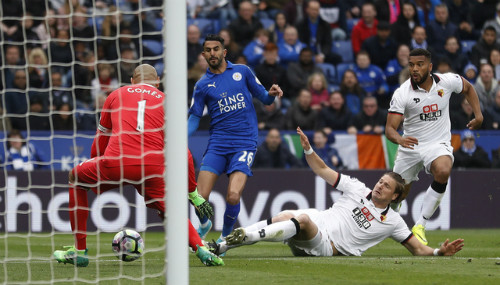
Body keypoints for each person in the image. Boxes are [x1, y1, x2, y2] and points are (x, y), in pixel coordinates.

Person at [52, 64, 224, 267]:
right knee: (170, 210)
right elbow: (183, 152)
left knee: (76, 178)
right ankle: (202, 249)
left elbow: (100, 140)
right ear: (157, 82)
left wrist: (98, 171)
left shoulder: (115, 94)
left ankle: (80, 251)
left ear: (132, 81)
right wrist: (192, 193)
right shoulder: (168, 101)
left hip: (116, 162)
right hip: (152, 167)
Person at [209, 127, 465, 258]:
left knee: (302, 220)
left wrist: (438, 252)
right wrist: (309, 150)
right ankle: (223, 245)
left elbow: (418, 250)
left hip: (327, 246)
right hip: (320, 223)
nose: (379, 185)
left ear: (395, 197)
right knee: (287, 213)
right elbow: (322, 170)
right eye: (380, 181)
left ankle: (240, 236)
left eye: (386, 186)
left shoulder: (394, 222)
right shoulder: (357, 188)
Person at [187, 34, 283, 248]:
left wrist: (272, 93)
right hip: (218, 144)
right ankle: (204, 223)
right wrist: (179, 139)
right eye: (208, 50)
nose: (213, 53)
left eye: (216, 49)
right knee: (199, 196)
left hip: (244, 142)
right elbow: (194, 118)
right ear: (203, 55)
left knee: (232, 195)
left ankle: (225, 239)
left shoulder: (243, 71)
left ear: (224, 52)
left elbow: (265, 98)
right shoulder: (202, 85)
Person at [385, 48, 483, 246]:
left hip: (437, 144)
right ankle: (389, 221)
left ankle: (420, 225)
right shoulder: (402, 93)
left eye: (419, 64)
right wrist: (400, 140)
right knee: (398, 194)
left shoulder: (446, 81)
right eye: (411, 64)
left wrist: (478, 114)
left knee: (443, 170)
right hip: (410, 146)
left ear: (429, 67)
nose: (414, 69)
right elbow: (390, 129)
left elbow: (468, 88)